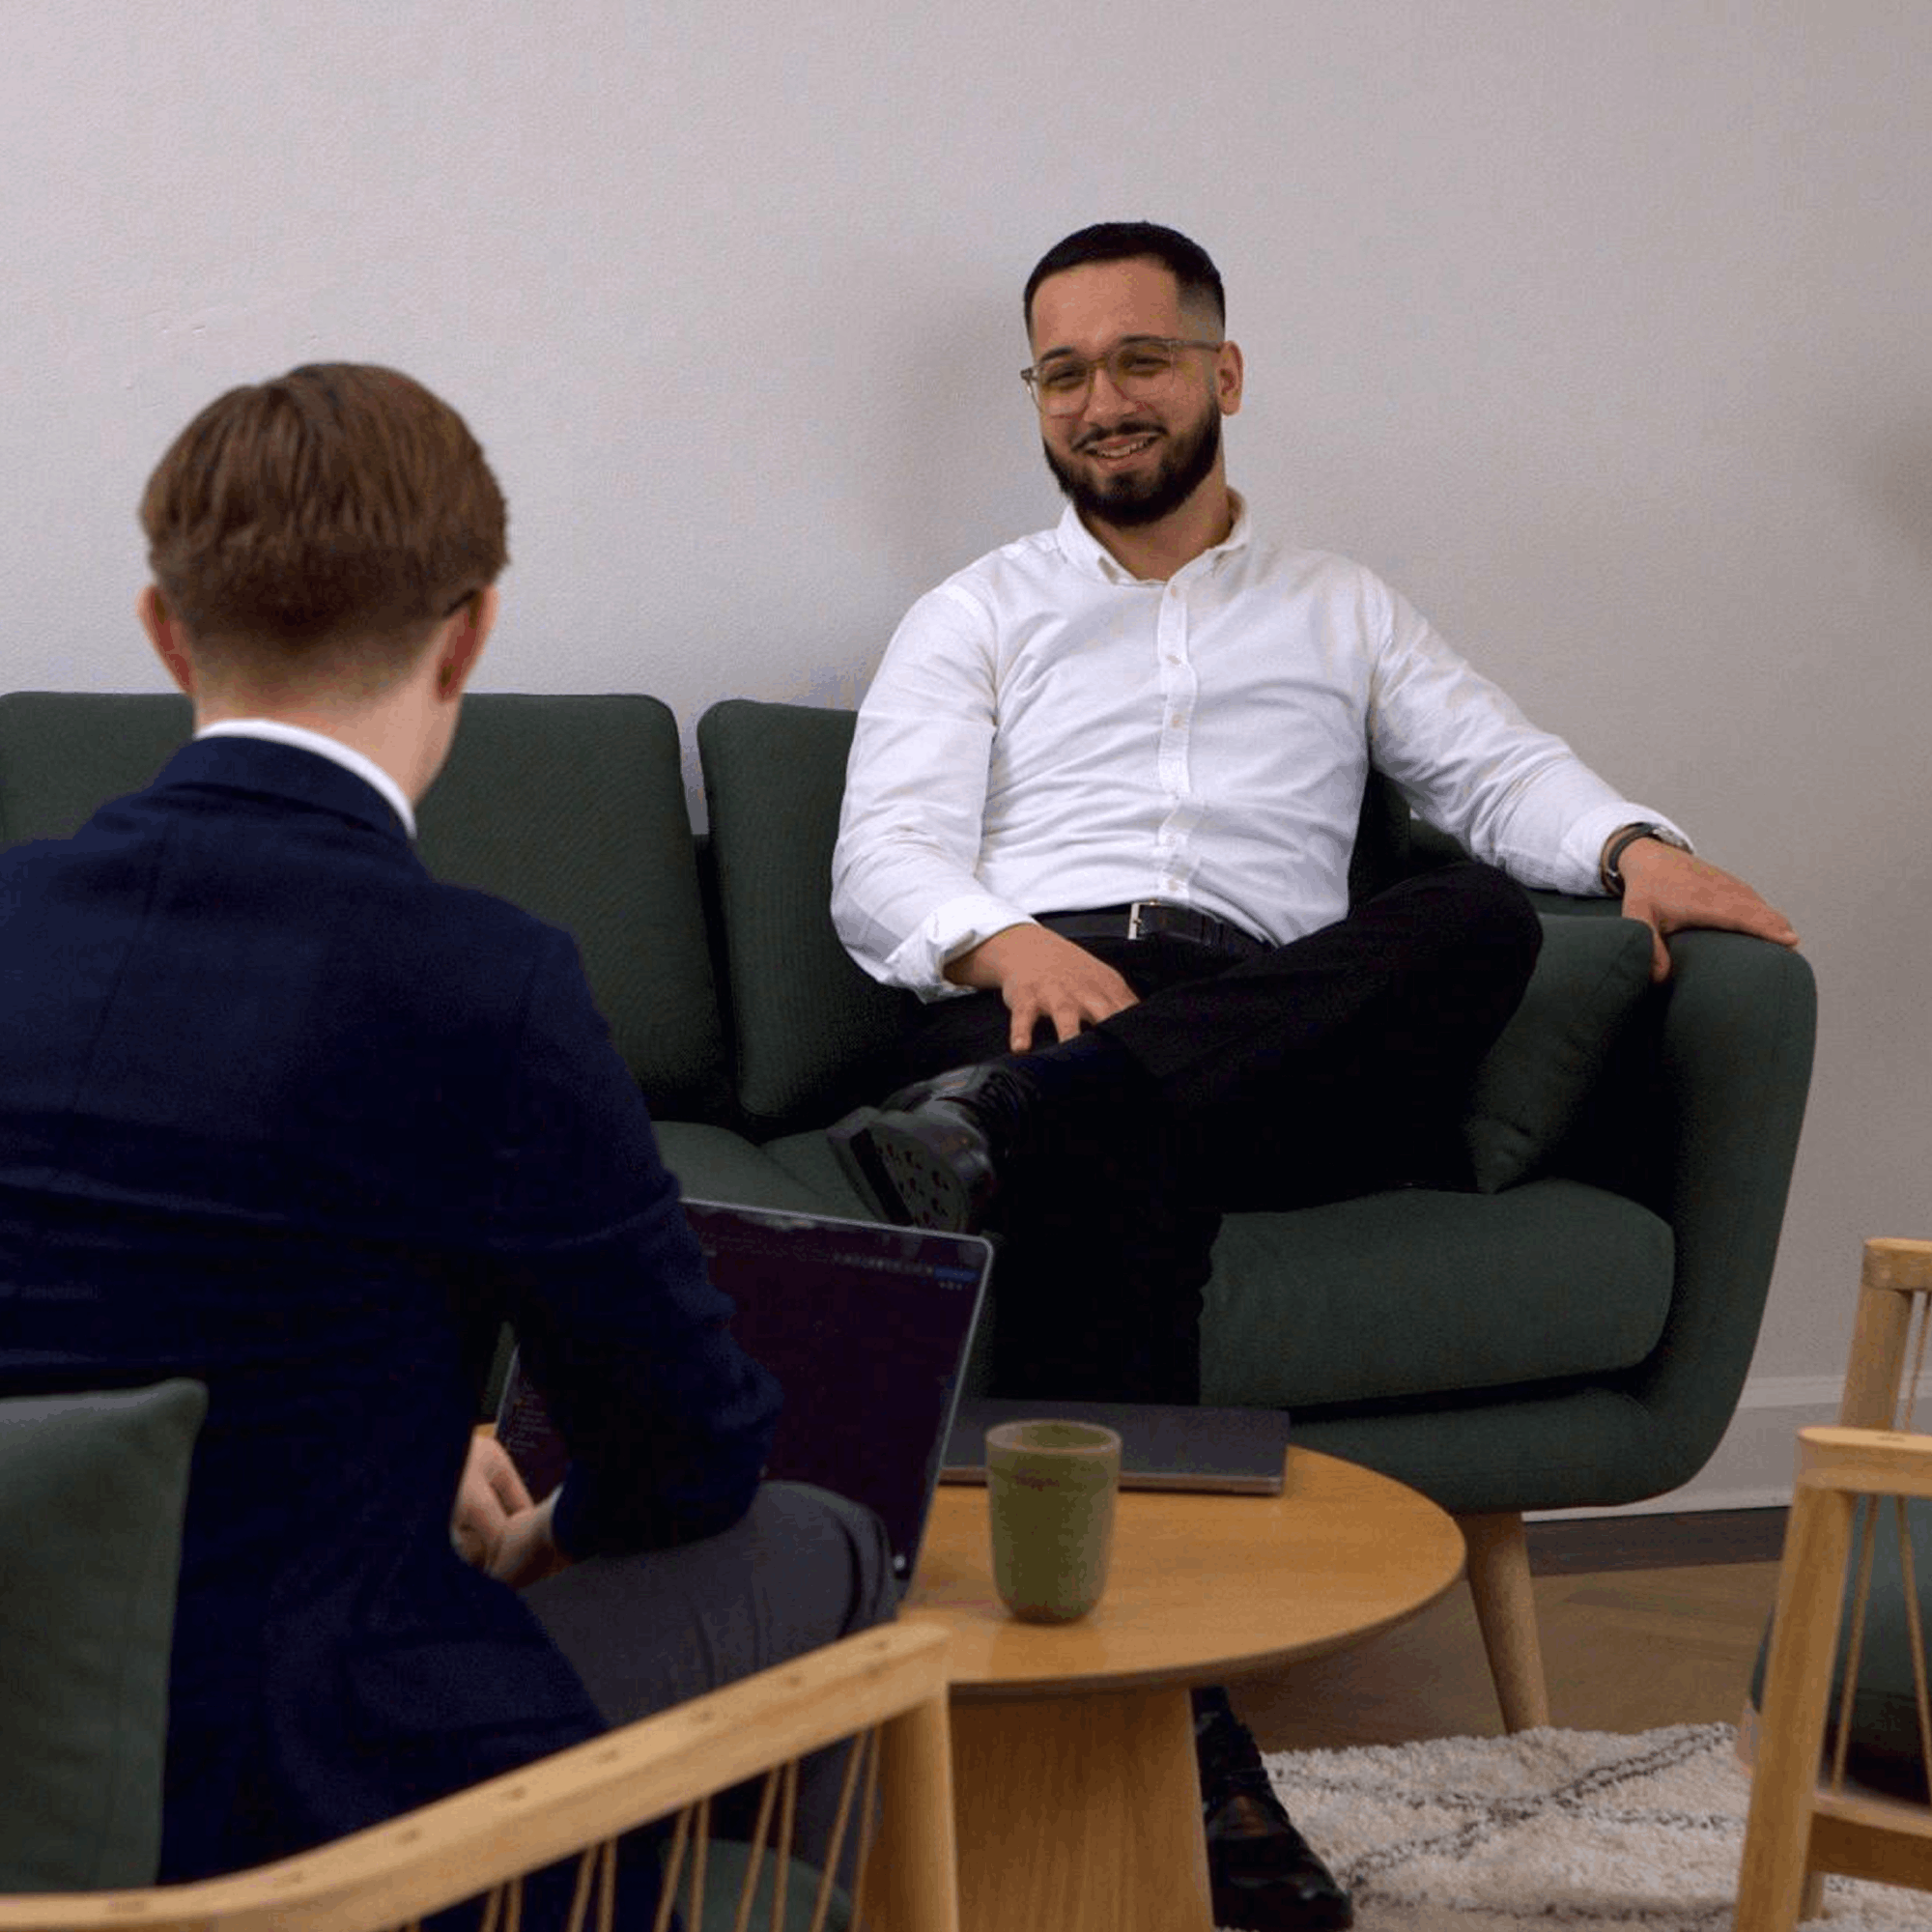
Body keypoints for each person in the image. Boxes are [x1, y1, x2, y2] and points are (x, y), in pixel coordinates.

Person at [828, 223, 1798, 1931]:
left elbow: (1498, 773)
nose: (1104, 402)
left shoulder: (1344, 607)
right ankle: (1195, 1760)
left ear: (1222, 372)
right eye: (1066, 374)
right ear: (1036, 403)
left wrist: (1634, 841)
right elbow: (884, 862)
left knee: (1478, 916)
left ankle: (1019, 1138)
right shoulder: (974, 615)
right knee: (1116, 1136)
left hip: (1269, 1017)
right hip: (1036, 1006)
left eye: (1140, 360)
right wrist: (1005, 950)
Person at [0, 365, 895, 1910]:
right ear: (471, 630)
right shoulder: (482, 979)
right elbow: (689, 1451)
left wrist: (400, 1449)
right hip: (302, 1824)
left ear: (163, 627)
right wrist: (549, 1519)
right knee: (817, 1542)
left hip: (29, 1764)